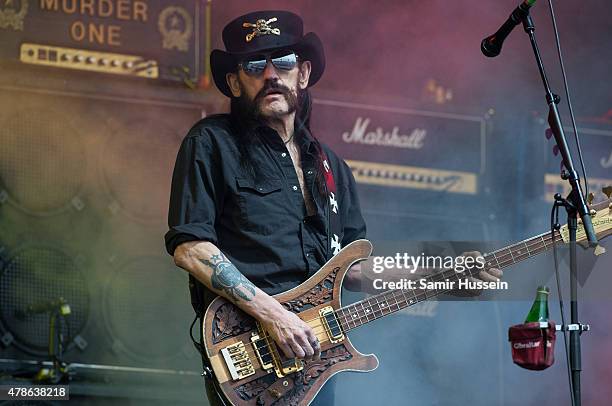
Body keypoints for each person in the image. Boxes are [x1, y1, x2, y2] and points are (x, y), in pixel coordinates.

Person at [164, 10, 502, 405]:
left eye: (284, 62)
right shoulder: (211, 142)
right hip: (251, 356)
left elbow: (351, 269)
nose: (271, 74)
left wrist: (441, 273)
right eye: (255, 65)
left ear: (303, 74)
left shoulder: (331, 168)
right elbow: (190, 247)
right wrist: (276, 316)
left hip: (317, 362)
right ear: (236, 82)